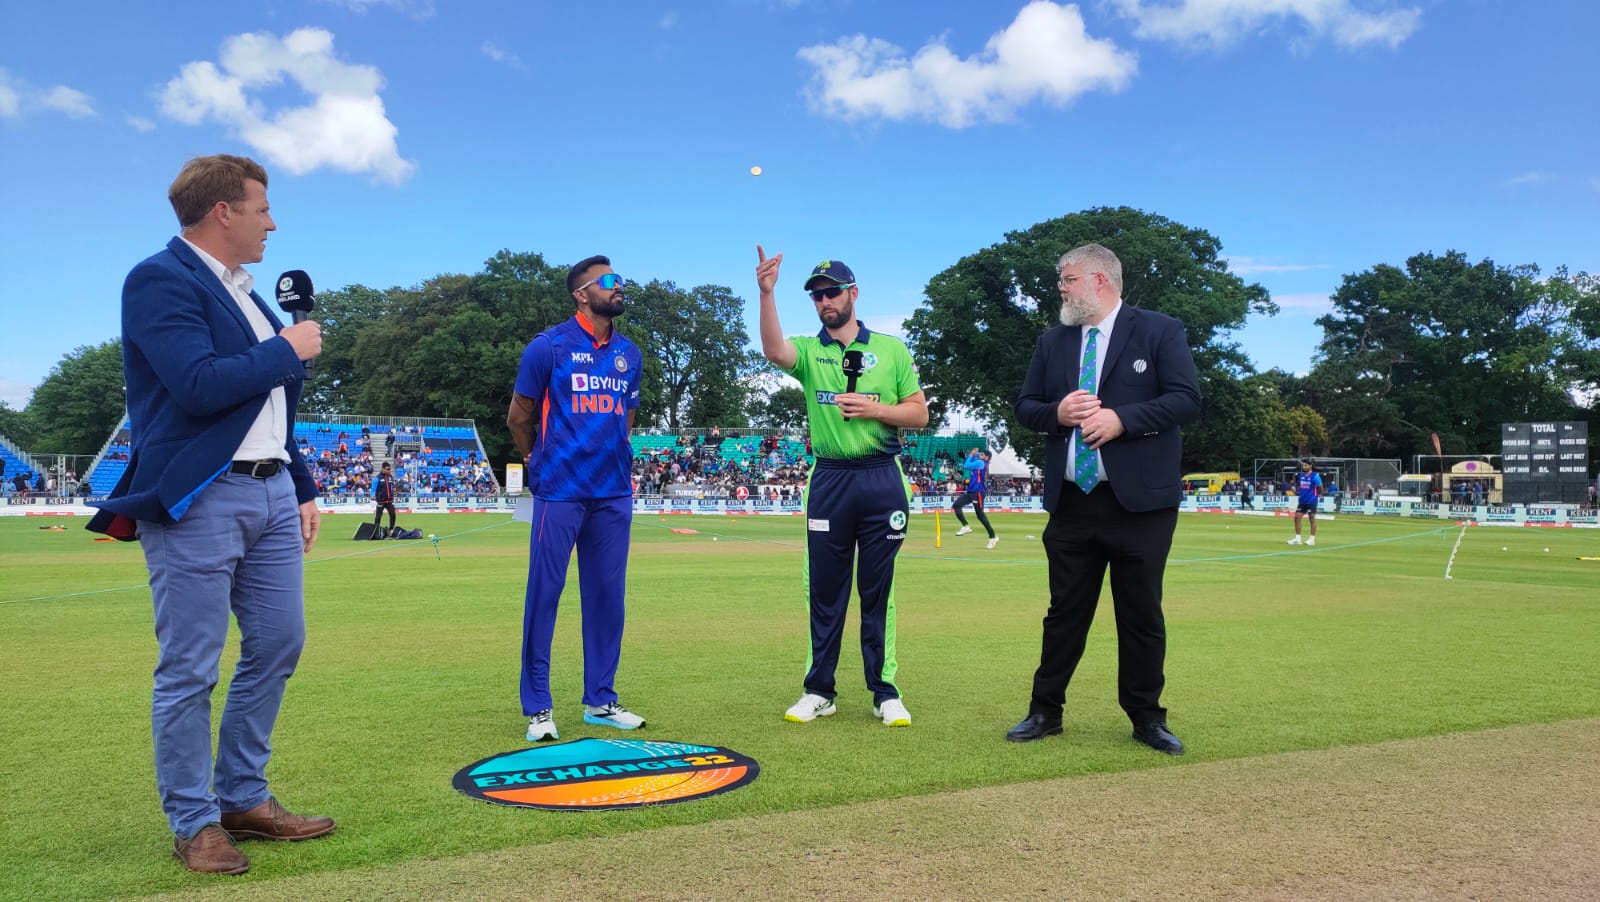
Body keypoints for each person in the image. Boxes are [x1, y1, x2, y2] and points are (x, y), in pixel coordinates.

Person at [85, 154, 333, 875]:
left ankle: (243, 798)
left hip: (272, 490)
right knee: (191, 667)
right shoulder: (159, 278)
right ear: (223, 211)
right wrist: (286, 348)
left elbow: (268, 411)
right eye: (262, 208)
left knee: (280, 644)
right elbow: (195, 386)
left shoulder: (249, 295)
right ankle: (195, 821)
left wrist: (304, 482)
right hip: (200, 495)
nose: (272, 222)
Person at [1006, 243, 1200, 755]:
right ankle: (1045, 711)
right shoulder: (1053, 342)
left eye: (1067, 278)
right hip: (1073, 501)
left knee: (1140, 614)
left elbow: (1186, 397)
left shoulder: (1161, 330)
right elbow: (1026, 406)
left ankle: (1146, 718)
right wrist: (1057, 413)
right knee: (1064, 613)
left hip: (1139, 505)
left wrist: (1122, 420)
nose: (1060, 287)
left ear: (1099, 280)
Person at [756, 248, 929, 727]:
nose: (825, 301)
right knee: (825, 590)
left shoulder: (891, 349)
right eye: (816, 296)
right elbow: (774, 352)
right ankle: (819, 690)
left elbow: (919, 413)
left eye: (832, 292)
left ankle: (885, 691)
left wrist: (877, 410)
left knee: (877, 590)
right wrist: (767, 293)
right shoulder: (811, 352)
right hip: (830, 476)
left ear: (853, 293)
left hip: (881, 476)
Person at [506, 255, 646, 742]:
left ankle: (601, 700)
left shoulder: (630, 353)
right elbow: (518, 417)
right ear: (582, 294)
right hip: (560, 491)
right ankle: (538, 707)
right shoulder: (548, 348)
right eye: (610, 282)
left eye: (621, 280)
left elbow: (625, 418)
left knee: (608, 600)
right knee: (544, 594)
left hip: (612, 494)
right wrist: (537, 465)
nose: (620, 287)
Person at [952, 448, 998, 549]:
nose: (979, 456)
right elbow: (968, 465)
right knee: (956, 505)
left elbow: (966, 465)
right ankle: (966, 526)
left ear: (986, 457)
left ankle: (992, 537)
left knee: (980, 515)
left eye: (981, 455)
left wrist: (972, 455)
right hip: (971, 492)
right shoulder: (978, 463)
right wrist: (971, 456)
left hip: (978, 493)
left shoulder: (981, 463)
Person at [1286, 459, 1322, 546]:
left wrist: (1319, 495)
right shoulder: (1301, 475)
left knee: (1312, 518)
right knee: (1297, 517)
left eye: (1306, 465)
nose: (1304, 467)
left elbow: (1320, 487)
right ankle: (1297, 539)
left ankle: (1311, 539)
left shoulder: (1315, 476)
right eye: (1303, 465)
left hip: (1311, 500)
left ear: (1310, 466)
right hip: (1302, 500)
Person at [372, 461, 397, 533]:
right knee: (378, 517)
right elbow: (373, 489)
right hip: (381, 501)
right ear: (383, 469)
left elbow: (392, 486)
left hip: (389, 501)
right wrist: (373, 499)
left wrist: (394, 491)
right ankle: (376, 530)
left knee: (393, 515)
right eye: (387, 469)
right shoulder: (377, 478)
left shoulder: (390, 477)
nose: (389, 470)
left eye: (390, 469)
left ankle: (391, 529)